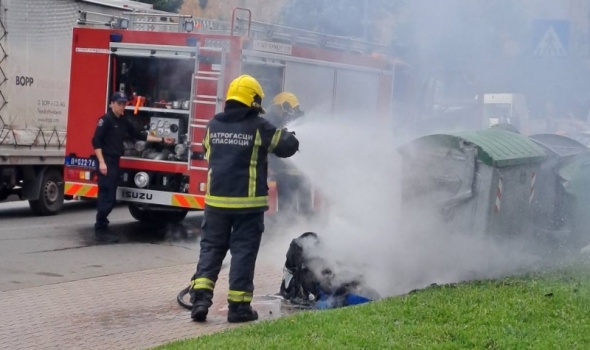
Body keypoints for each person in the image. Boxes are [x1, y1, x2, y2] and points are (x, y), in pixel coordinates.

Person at [189, 75, 299, 323]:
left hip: (216, 204)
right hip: (248, 208)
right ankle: (238, 309)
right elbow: (286, 146)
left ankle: (200, 301)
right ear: (253, 100)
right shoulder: (259, 126)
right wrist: (291, 135)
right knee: (242, 254)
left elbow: (208, 152)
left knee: (211, 251)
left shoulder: (213, 125)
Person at [91, 91, 175, 243]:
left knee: (110, 196)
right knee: (106, 196)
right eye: (119, 103)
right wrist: (102, 162)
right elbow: (96, 142)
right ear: (112, 104)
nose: (122, 106)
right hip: (106, 161)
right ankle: (100, 229)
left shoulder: (123, 121)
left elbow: (139, 135)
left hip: (115, 161)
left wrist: (162, 139)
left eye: (124, 104)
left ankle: (102, 227)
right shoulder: (105, 120)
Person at [266, 92, 312, 217]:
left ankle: (292, 231)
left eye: (277, 108)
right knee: (303, 210)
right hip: (303, 178)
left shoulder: (291, 125)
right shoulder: (301, 122)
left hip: (287, 176)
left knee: (287, 211)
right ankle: (300, 231)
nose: (275, 112)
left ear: (285, 107)